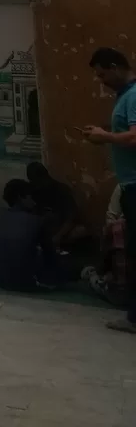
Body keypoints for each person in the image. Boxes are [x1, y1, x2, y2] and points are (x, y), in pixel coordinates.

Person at [82, 47, 136, 334]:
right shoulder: (126, 96)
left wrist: (106, 137)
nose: (100, 81)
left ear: (115, 67)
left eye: (102, 75)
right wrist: (103, 134)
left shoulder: (134, 95)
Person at [0, 178, 58, 292]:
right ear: (20, 197)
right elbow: (50, 254)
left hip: (0, 280)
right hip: (27, 281)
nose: (34, 202)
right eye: (31, 197)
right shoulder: (37, 221)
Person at [26, 161, 86, 249]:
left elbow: (72, 218)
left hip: (60, 232)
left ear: (44, 177)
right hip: (41, 233)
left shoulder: (62, 190)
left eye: (36, 181)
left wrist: (58, 236)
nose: (35, 185)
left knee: (80, 230)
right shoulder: (33, 191)